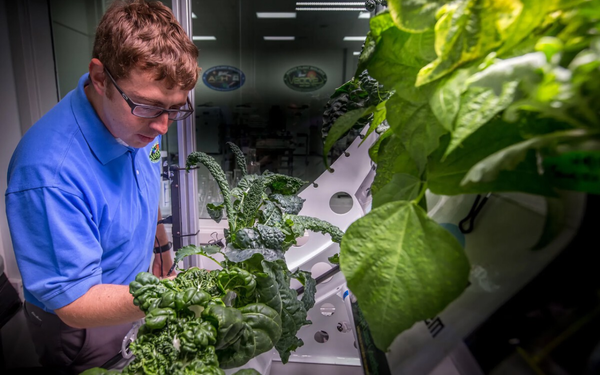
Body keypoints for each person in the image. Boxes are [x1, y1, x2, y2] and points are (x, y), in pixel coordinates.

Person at [4, 1, 199, 373]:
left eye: (175, 109)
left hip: (136, 294)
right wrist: (177, 294)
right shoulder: (48, 175)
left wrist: (161, 251)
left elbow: (145, 186)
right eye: (150, 107)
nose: (163, 127)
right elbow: (75, 303)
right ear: (99, 78)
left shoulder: (136, 123)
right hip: (82, 328)